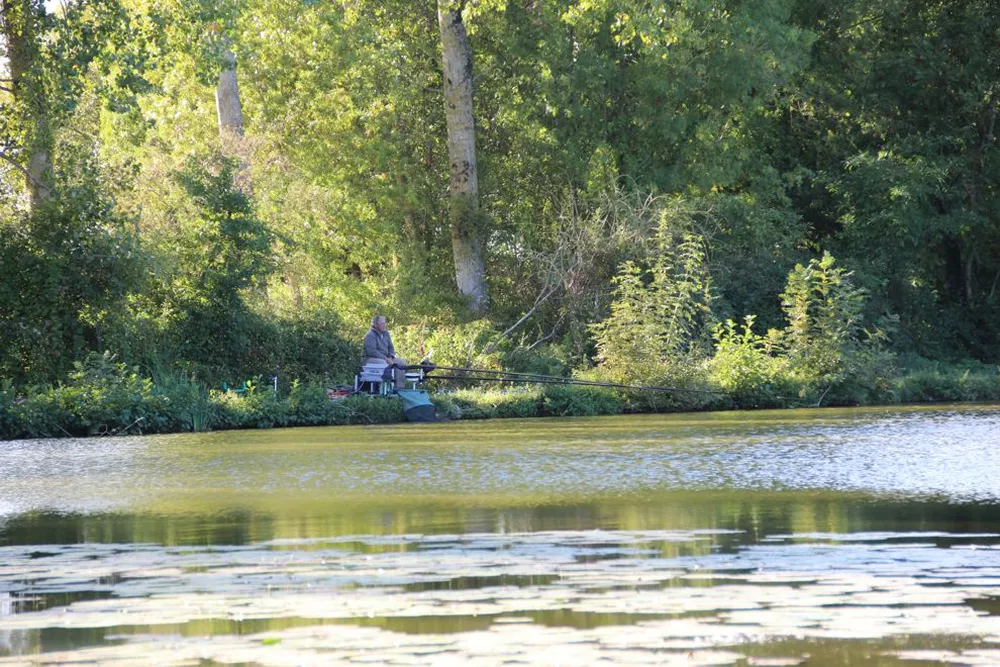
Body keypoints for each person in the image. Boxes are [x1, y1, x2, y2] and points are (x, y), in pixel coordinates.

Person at [362, 314, 406, 392]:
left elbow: (391, 347)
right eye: (382, 323)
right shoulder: (370, 335)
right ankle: (384, 389)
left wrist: (391, 357)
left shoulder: (386, 334)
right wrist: (386, 359)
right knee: (383, 363)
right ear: (376, 324)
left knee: (400, 362)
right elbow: (372, 351)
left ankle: (399, 388)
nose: (384, 325)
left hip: (386, 358)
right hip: (370, 359)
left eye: (385, 323)